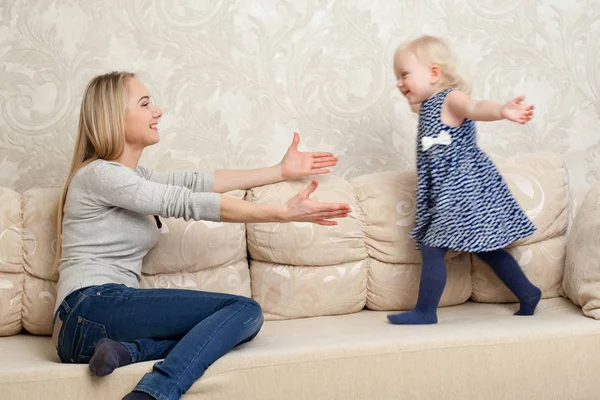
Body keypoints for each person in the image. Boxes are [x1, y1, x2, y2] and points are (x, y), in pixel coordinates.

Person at [51, 71, 351, 400]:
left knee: (222, 328)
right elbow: (185, 202)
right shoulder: (99, 175)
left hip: (86, 332)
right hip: (90, 307)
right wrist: (283, 214)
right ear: (113, 116)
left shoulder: (132, 177)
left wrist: (279, 171)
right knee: (243, 312)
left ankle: (127, 352)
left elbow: (195, 183)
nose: (158, 111)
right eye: (145, 103)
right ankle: (154, 393)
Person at [387, 35, 541, 325]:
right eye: (396, 77)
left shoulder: (449, 98)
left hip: (464, 189)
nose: (398, 83)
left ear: (434, 73)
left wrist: (501, 111)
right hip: (449, 192)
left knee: (433, 247)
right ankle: (528, 291)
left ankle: (425, 311)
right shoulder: (428, 107)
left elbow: (474, 107)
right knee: (489, 250)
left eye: (404, 74)